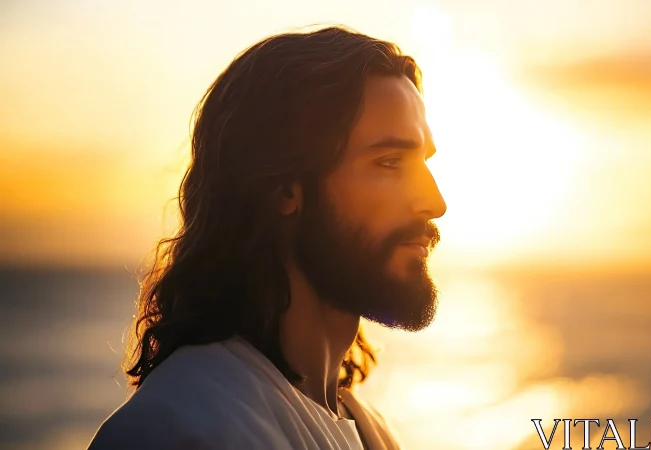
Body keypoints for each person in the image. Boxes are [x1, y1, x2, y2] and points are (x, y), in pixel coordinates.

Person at [87, 25, 447, 450]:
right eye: (389, 162)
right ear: (283, 188)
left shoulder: (370, 430)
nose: (434, 202)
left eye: (423, 162)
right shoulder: (181, 428)